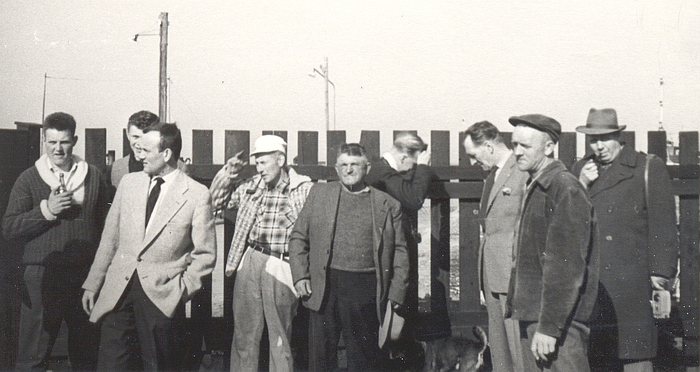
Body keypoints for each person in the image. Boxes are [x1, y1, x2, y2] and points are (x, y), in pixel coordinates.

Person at [81, 122, 217, 371]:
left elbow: (205, 254)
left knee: (157, 365)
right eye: (138, 149)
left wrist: (180, 290)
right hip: (118, 291)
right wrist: (93, 282)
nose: (138, 155)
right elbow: (110, 239)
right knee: (111, 364)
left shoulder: (197, 194)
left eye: (145, 150)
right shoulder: (129, 183)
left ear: (166, 154)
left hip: (161, 297)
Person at [572, 108, 678, 372]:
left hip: (633, 284)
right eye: (593, 140)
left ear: (619, 136)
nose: (599, 146)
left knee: (635, 357)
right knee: (598, 356)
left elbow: (664, 226)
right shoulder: (580, 169)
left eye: (605, 139)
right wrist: (581, 184)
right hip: (594, 285)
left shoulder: (646, 166)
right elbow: (569, 221)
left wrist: (660, 276)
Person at [2, 112, 109, 371]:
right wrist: (45, 210)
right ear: (44, 141)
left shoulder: (93, 176)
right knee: (33, 355)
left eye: (64, 142)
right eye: (52, 143)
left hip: (84, 277)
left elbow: (107, 227)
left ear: (74, 140)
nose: (58, 149)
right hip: (42, 277)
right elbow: (9, 227)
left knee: (86, 355)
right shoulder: (29, 178)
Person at [289, 143, 410, 372]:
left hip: (364, 288)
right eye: (343, 165)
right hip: (325, 286)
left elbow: (401, 254)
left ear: (367, 168)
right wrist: (300, 276)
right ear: (336, 169)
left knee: (363, 359)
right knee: (320, 359)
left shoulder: (387, 204)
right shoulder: (319, 194)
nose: (349, 170)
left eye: (355, 165)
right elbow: (297, 237)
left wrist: (396, 294)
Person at [209, 135, 313, 372]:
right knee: (244, 335)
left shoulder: (302, 189)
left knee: (280, 337)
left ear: (281, 159)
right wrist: (229, 174)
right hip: (252, 259)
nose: (259, 168)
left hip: (283, 264)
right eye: (257, 163)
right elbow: (214, 202)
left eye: (264, 162)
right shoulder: (251, 186)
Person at [506, 114, 599, 372]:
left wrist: (549, 328)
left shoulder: (563, 188)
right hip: (537, 317)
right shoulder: (537, 185)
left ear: (549, 148)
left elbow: (566, 268)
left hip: (558, 324)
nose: (517, 152)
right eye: (514, 145)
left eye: (525, 146)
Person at [463, 121, 528, 372]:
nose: (471, 162)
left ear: (488, 146)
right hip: (492, 275)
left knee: (518, 349)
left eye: (473, 155)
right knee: (500, 350)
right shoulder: (493, 175)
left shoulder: (521, 171)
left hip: (512, 276)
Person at [109, 110, 159, 188]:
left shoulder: (176, 168)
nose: (140, 143)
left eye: (145, 138)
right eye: (135, 137)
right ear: (128, 135)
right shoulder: (115, 169)